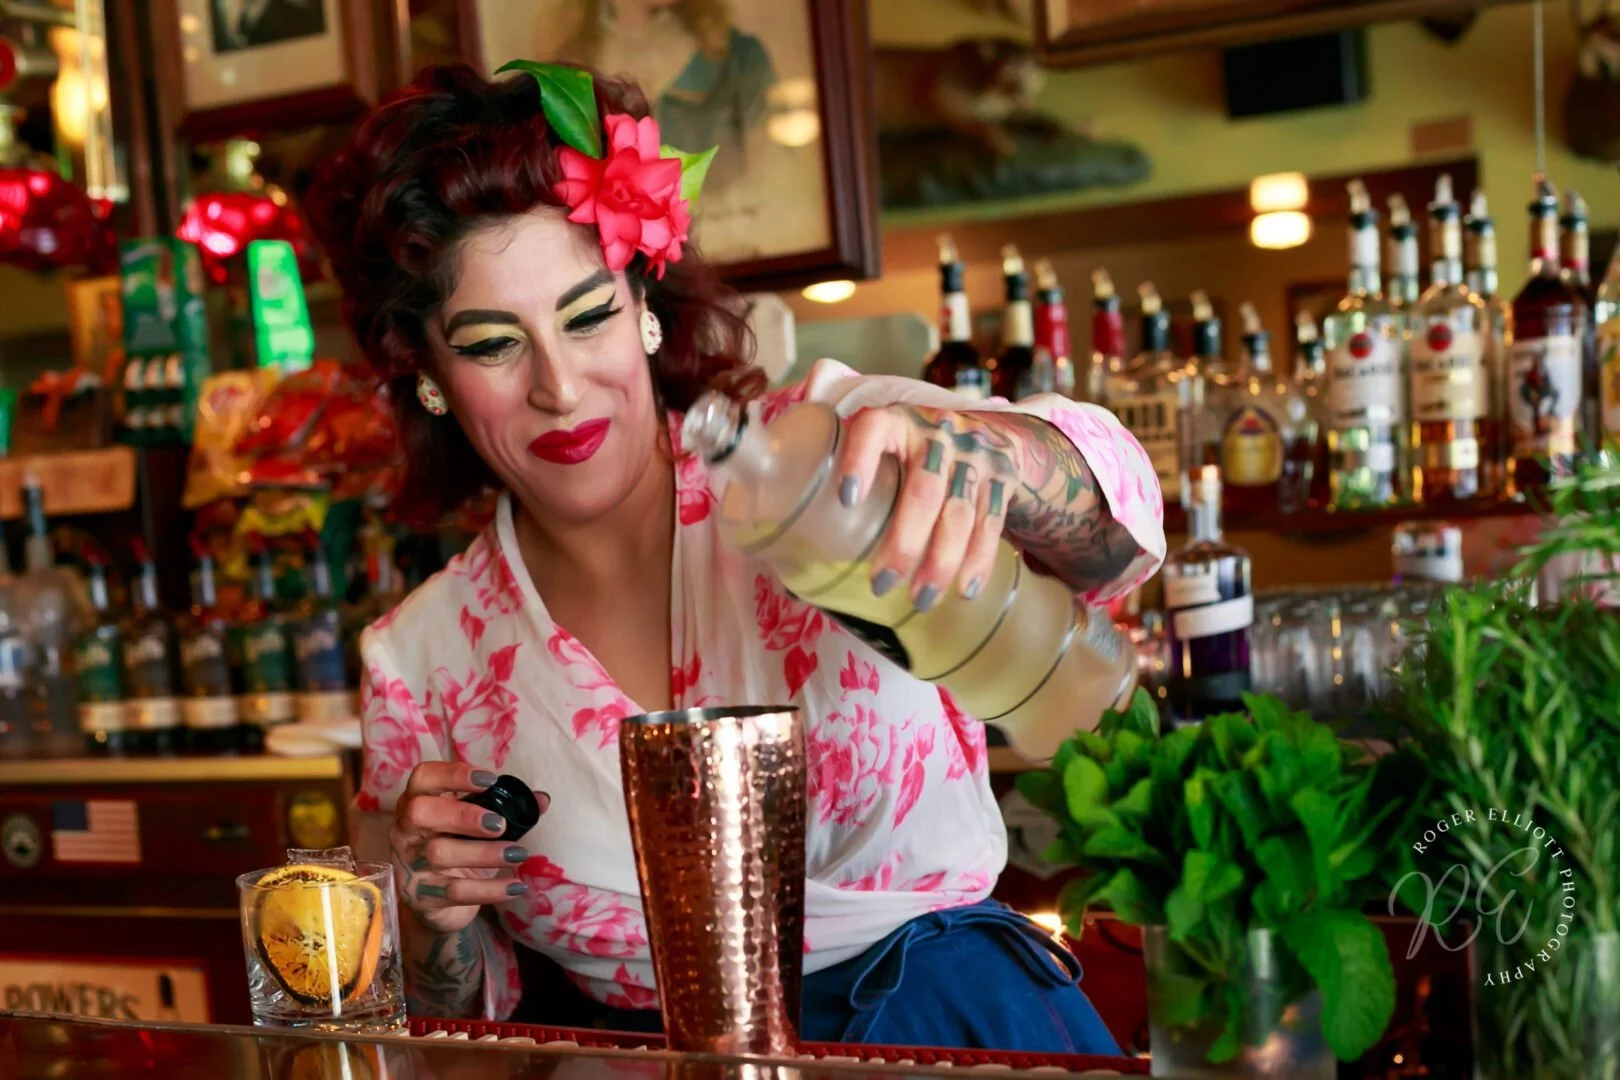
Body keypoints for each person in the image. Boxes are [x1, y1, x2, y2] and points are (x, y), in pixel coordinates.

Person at [304, 61, 1165, 1052]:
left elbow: (1116, 540)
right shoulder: (422, 662)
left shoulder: (821, 453)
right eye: (494, 344)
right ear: (427, 375)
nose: (560, 388)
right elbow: (456, 1025)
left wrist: (1005, 460)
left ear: (645, 307)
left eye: (588, 317)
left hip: (956, 1033)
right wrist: (428, 918)